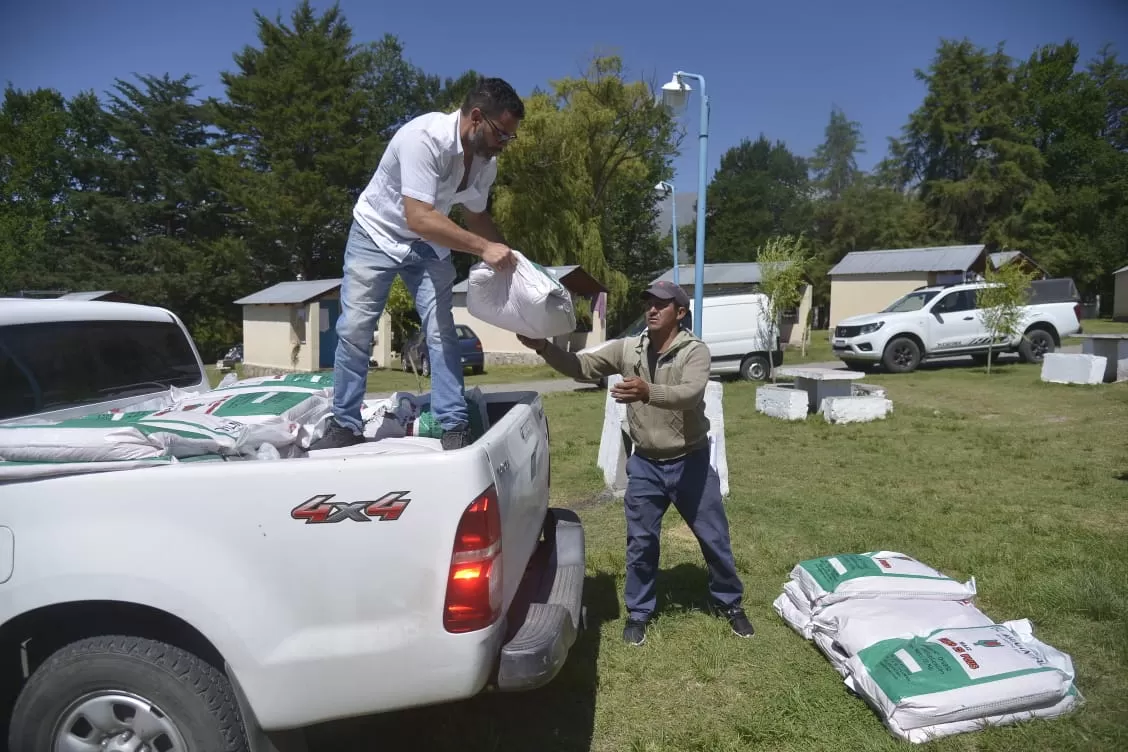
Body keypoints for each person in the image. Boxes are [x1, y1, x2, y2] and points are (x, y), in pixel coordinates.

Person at [517, 281, 754, 645]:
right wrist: (545, 348)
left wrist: (648, 392)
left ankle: (730, 603)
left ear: (680, 311)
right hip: (645, 463)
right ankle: (639, 612)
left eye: (661, 304)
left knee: (714, 538)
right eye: (648, 303)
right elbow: (582, 367)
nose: (652, 309)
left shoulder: (695, 352)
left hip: (690, 460)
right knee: (641, 544)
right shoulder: (630, 349)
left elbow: (690, 395)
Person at [310, 77, 523, 452]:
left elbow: (477, 218)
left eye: (509, 137)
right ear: (476, 117)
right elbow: (419, 217)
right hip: (376, 234)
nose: (504, 145)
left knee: (442, 332)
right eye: (501, 134)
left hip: (428, 245)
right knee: (356, 329)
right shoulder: (422, 138)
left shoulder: (485, 163)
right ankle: (345, 423)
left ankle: (453, 425)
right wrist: (484, 248)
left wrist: (510, 256)